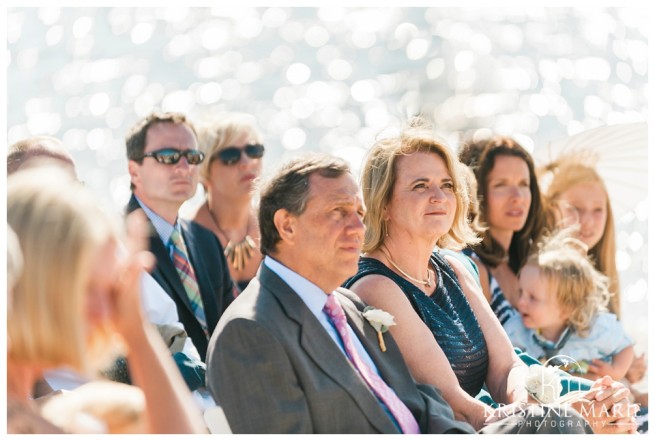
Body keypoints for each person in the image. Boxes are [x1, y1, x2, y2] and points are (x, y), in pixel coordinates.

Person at [206, 153, 594, 434]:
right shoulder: (251, 331)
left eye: (358, 212)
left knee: (562, 424)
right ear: (286, 226)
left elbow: (418, 403)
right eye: (338, 212)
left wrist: (502, 423)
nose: (357, 227)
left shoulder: (344, 305)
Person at [343, 123, 637, 434]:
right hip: (455, 430)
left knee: (613, 407)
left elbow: (506, 367)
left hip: (496, 423)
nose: (439, 196)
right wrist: (561, 416)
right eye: (420, 186)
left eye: (447, 185)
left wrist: (533, 402)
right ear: (384, 203)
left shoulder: (452, 269)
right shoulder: (376, 286)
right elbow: (458, 406)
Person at [7, 135, 207, 401]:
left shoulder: (106, 253)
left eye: (71, 186)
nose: (60, 200)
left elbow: (170, 333)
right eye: (44, 188)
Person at [124, 111, 235, 361]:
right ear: (134, 171)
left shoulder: (206, 241)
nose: (184, 168)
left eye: (192, 157)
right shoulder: (118, 243)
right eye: (168, 157)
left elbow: (229, 326)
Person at [505, 227, 635, 381]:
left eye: (532, 298)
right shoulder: (516, 331)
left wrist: (616, 371)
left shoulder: (596, 328)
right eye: (520, 292)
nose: (520, 302)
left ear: (566, 308)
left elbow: (625, 346)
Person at [458, 135, 545, 325]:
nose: (517, 197)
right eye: (501, 185)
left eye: (524, 184)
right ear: (475, 192)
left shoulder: (526, 264)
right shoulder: (470, 268)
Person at [189, 112, 264, 292]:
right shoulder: (189, 241)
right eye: (230, 156)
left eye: (254, 151)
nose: (247, 162)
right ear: (204, 169)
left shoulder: (275, 226)